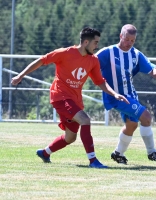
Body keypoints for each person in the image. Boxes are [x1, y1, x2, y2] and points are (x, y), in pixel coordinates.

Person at [11, 27, 129, 168]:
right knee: (85, 120)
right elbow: (41, 60)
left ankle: (45, 153)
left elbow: (100, 81)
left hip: (75, 100)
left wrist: (114, 93)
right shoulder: (65, 53)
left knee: (70, 137)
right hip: (60, 96)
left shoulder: (93, 60)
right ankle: (93, 161)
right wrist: (20, 75)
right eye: (95, 43)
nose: (97, 46)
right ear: (86, 42)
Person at [95, 24, 156, 165]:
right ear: (121, 36)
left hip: (131, 95)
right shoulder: (107, 52)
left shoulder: (135, 54)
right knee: (146, 117)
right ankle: (152, 152)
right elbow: (90, 64)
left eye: (132, 40)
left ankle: (118, 153)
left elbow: (150, 69)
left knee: (132, 125)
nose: (129, 43)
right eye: (127, 39)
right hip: (116, 96)